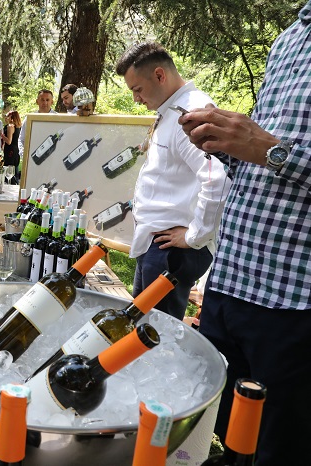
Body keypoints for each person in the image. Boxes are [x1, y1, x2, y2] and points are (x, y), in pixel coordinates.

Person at [180, 3, 311, 463]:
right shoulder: (290, 37)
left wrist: (269, 149)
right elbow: (265, 168)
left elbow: (274, 153)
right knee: (220, 435)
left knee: (279, 449)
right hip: (231, 285)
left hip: (292, 303)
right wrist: (227, 146)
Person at [115, 42, 230, 321]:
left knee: (155, 334)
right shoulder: (171, 110)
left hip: (171, 250)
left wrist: (194, 236)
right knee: (139, 325)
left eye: (137, 89)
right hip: (156, 244)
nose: (136, 99)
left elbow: (218, 179)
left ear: (159, 75)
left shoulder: (192, 113)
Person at [18, 89, 56, 156]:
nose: (45, 103)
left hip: (53, 156)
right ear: (37, 101)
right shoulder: (30, 119)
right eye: (42, 100)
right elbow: (22, 139)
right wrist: (23, 153)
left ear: (52, 102)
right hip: (33, 156)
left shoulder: (58, 118)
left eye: (47, 100)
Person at [1, 110, 22, 183]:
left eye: (7, 116)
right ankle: (15, 183)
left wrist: (1, 135)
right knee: (14, 169)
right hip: (15, 149)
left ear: (11, 117)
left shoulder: (10, 126)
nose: (6, 118)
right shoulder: (18, 127)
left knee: (9, 169)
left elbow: (9, 141)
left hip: (10, 150)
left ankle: (11, 183)